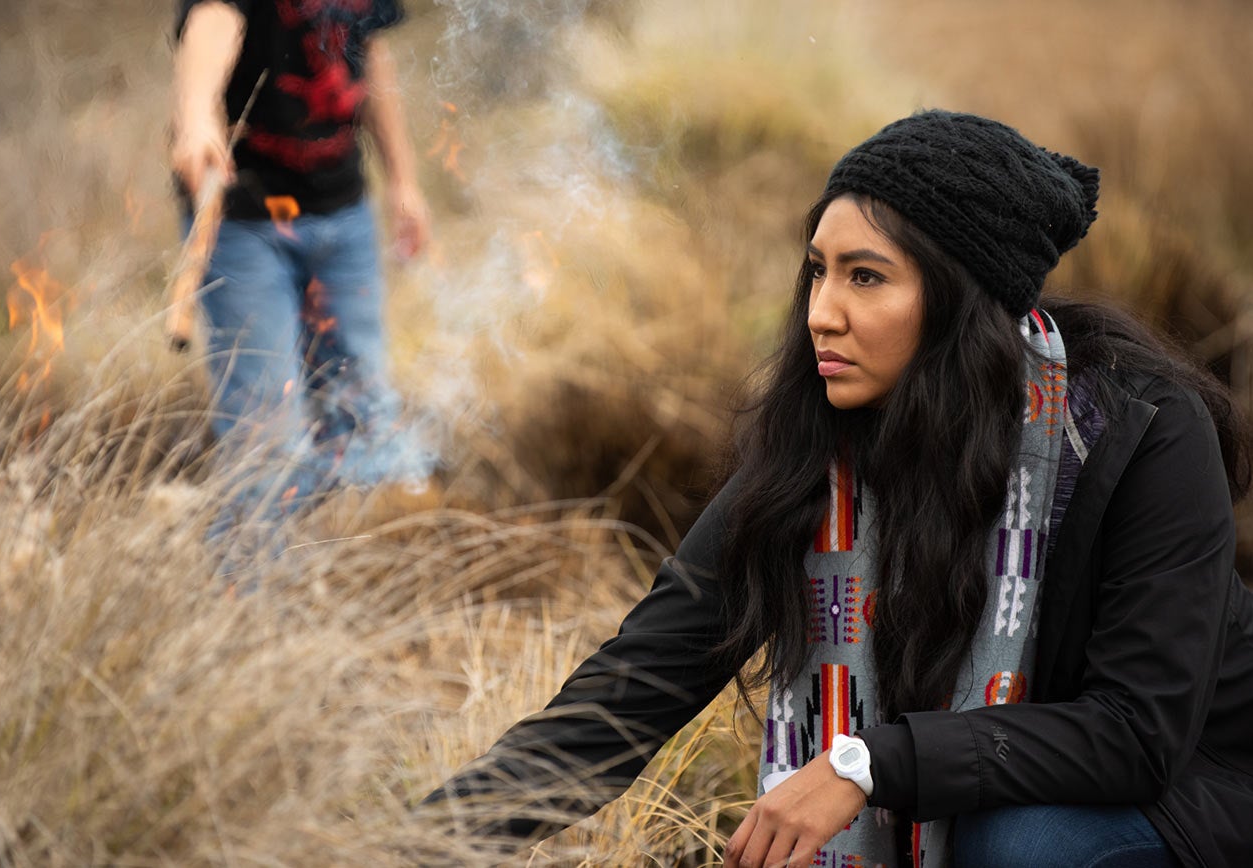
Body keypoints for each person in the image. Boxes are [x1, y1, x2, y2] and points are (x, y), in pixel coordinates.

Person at [420, 110, 1253, 867]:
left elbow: (1135, 733)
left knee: (1018, 844)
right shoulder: (819, 447)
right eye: (817, 271)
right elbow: (639, 681)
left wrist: (869, 762)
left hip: (1190, 793)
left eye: (866, 277)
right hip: (990, 789)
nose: (821, 311)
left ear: (959, 299)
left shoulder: (1136, 433)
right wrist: (422, 843)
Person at [170, 0, 431, 553]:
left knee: (361, 413)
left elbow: (371, 53)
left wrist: (403, 179)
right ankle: (250, 586)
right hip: (245, 221)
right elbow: (213, 19)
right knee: (265, 430)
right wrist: (195, 114)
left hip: (343, 211)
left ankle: (342, 566)